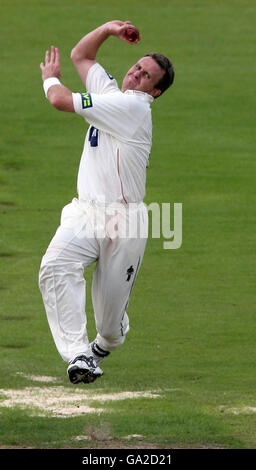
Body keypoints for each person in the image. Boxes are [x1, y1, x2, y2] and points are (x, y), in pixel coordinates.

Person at [39, 20, 174, 385]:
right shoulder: (111, 92)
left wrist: (51, 78)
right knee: (55, 266)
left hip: (124, 221)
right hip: (86, 212)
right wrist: (108, 29)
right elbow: (81, 56)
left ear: (154, 92)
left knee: (111, 329)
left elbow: (58, 99)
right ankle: (78, 355)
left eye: (146, 76)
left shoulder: (133, 108)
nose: (136, 73)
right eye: (137, 66)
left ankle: (104, 342)